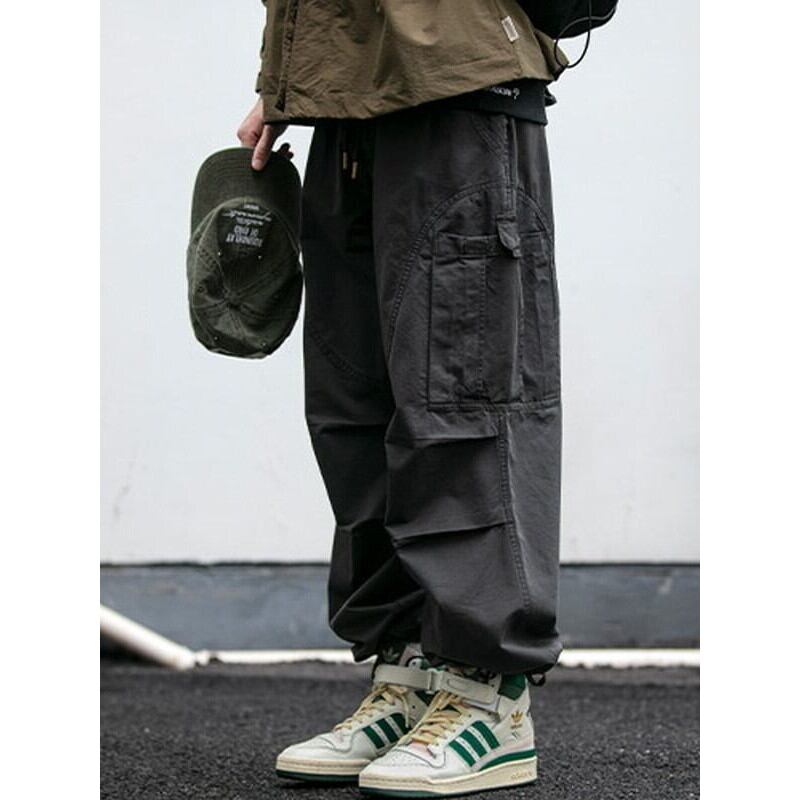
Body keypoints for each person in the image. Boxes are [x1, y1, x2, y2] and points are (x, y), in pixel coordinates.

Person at [238, 2, 564, 796]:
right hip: (343, 100)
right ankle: (411, 676)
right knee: (359, 406)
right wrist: (284, 81)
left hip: (457, 85)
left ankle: (488, 694)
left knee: (462, 392)